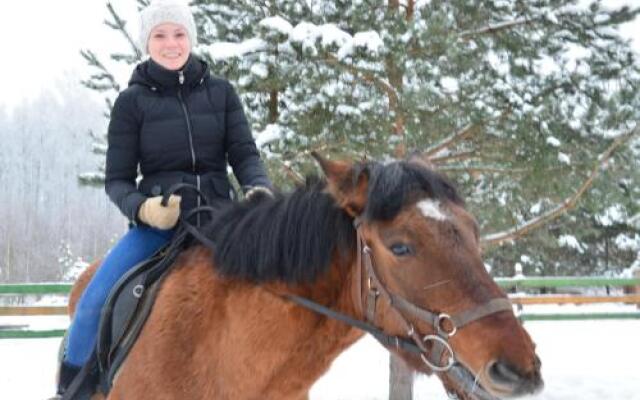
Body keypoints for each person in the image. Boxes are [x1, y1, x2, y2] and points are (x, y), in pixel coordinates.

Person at [54, 0, 272, 396]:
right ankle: (72, 390)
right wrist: (145, 209)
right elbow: (117, 180)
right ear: (146, 43)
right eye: (160, 35)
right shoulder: (130, 103)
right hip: (160, 226)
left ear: (190, 38)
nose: (170, 43)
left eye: (178, 34)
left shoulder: (222, 93)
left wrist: (258, 187)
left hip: (222, 221)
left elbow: (244, 154)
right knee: (91, 303)